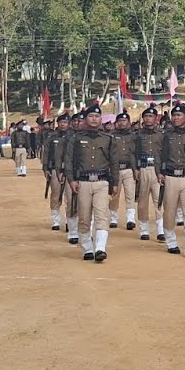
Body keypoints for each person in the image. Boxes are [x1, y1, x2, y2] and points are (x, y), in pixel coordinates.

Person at [66, 104, 117, 263]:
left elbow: (114, 162)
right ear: (85, 119)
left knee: (102, 215)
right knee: (84, 218)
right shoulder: (76, 139)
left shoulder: (108, 139)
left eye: (97, 116)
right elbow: (69, 161)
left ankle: (100, 248)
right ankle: (88, 247)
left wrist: (114, 182)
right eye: (90, 116)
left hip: (102, 181)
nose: (94, 119)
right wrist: (71, 179)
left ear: (101, 119)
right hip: (83, 182)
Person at [160, 102, 185, 258]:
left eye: (179, 115)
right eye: (174, 115)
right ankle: (171, 241)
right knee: (169, 212)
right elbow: (162, 155)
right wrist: (160, 172)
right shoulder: (167, 135)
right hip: (170, 177)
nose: (175, 118)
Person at [133, 104, 164, 242]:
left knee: (159, 200)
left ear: (156, 118)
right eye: (146, 116)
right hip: (144, 168)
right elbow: (132, 153)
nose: (148, 118)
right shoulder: (138, 135)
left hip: (157, 170)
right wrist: (135, 168)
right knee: (142, 201)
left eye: (151, 116)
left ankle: (161, 230)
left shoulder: (162, 135)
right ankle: (144, 229)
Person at [107, 112, 138, 230]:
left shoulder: (133, 136)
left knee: (130, 194)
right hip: (115, 169)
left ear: (129, 123)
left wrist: (136, 169)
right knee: (114, 194)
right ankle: (113, 218)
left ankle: (130, 219)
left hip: (129, 169)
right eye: (120, 121)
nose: (122, 123)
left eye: (124, 121)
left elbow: (135, 153)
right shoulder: (111, 136)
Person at [41, 113, 70, 231]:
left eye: (66, 122)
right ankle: (55, 220)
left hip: (69, 170)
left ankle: (70, 221)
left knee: (70, 197)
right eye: (61, 122)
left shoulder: (73, 137)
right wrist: (45, 168)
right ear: (58, 123)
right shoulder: (51, 137)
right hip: (54, 169)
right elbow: (46, 153)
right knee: (55, 195)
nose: (63, 125)